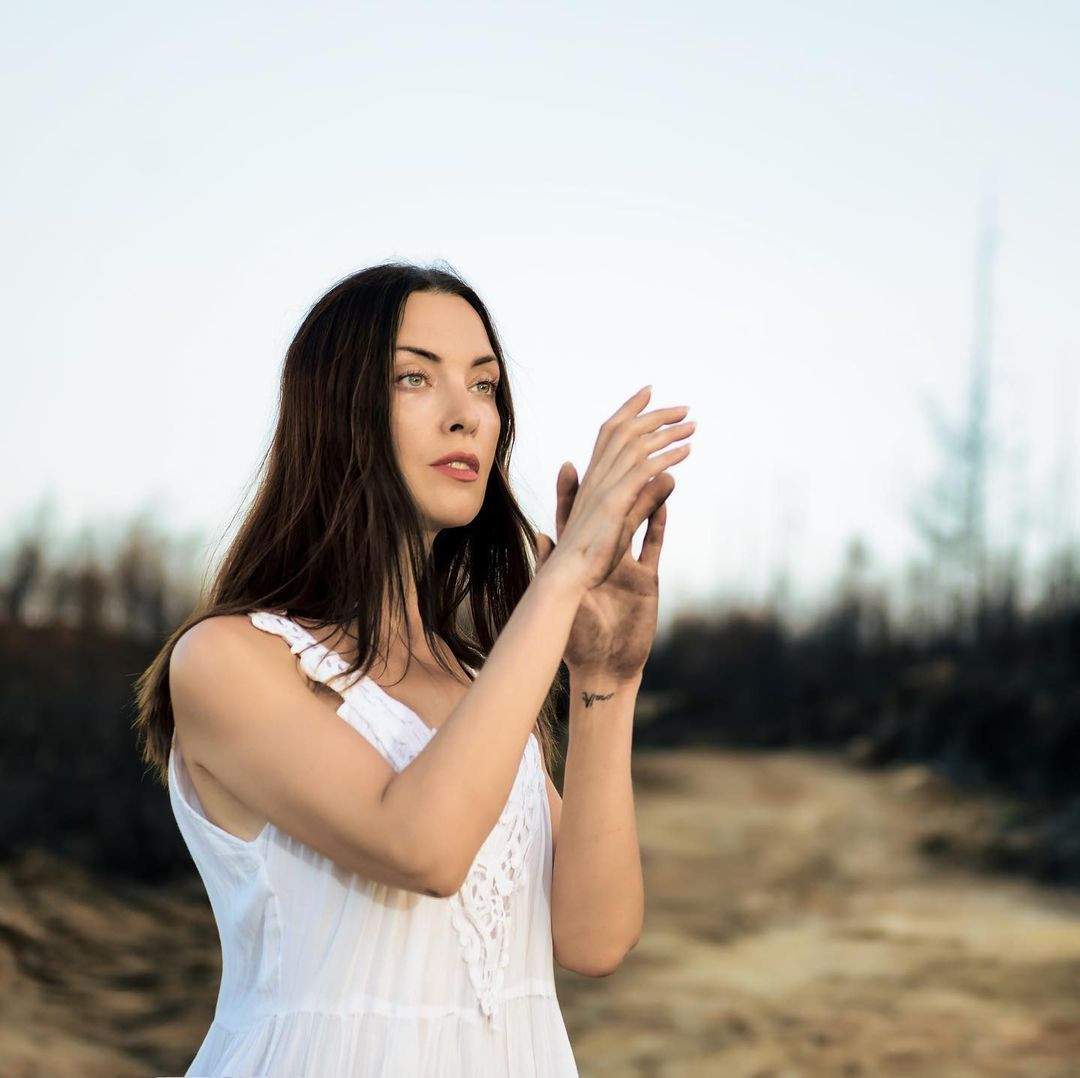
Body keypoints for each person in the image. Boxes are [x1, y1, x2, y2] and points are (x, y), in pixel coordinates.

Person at [133, 260, 694, 1076]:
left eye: (485, 384)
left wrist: (603, 682)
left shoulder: (479, 688)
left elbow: (594, 938)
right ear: (336, 410)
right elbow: (423, 847)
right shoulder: (228, 659)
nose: (467, 415)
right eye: (414, 379)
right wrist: (566, 571)